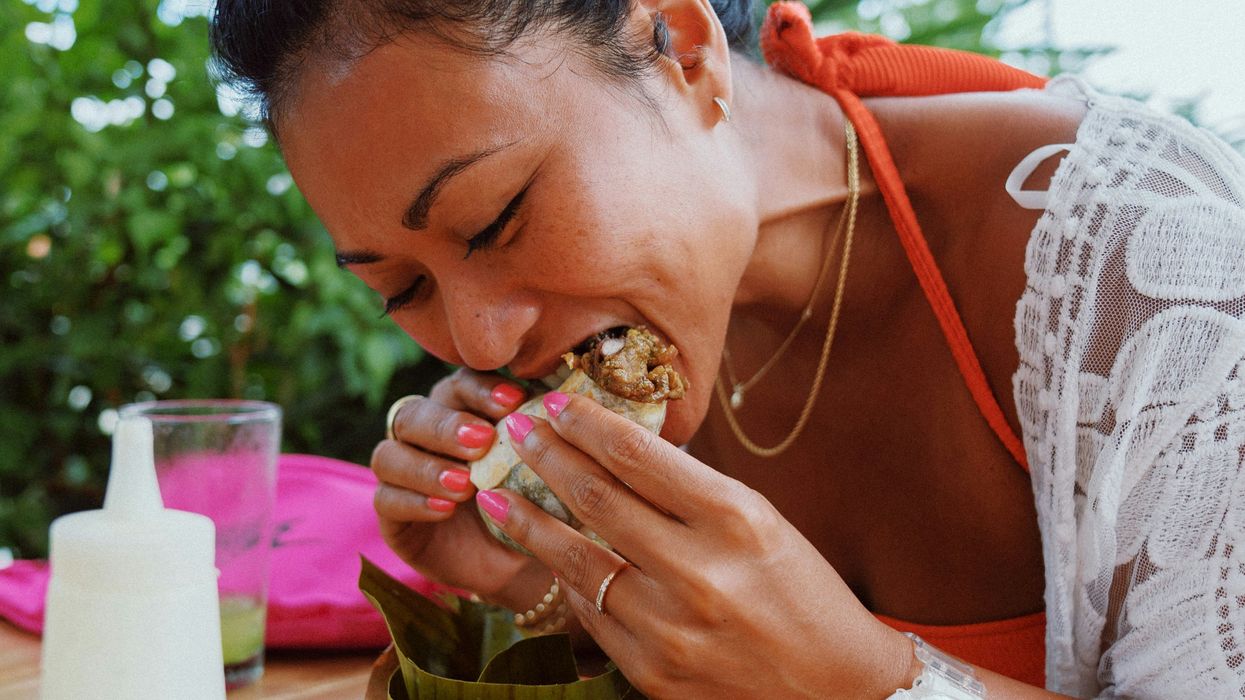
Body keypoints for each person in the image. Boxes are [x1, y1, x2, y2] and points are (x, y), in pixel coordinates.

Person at [209, 0, 1245, 696]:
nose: (481, 336)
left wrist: (877, 684)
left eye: (495, 219)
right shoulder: (645, 336)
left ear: (683, 49)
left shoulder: (1148, 267)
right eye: (405, 288)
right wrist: (534, 592)